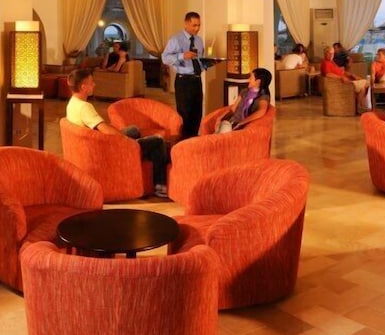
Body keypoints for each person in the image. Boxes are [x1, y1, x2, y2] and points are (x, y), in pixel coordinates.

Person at [66, 68, 169, 198]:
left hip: (96, 140)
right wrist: (126, 141)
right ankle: (159, 186)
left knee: (134, 130)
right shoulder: (84, 107)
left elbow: (99, 128)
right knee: (158, 142)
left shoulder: (72, 103)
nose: (94, 85)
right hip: (104, 147)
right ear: (83, 87)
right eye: (91, 82)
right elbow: (105, 129)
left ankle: (138, 162)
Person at [162, 11, 216, 139]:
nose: (197, 28)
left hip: (197, 81)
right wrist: (182, 56)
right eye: (194, 25)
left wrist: (207, 63)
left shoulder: (199, 41)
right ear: (186, 24)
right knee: (184, 115)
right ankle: (183, 143)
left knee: (197, 114)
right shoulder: (176, 39)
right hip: (183, 81)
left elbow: (198, 61)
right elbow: (165, 58)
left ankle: (193, 142)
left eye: (199, 25)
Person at [217, 68, 272, 134]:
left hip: (243, 126)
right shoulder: (244, 91)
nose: (248, 79)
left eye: (251, 77)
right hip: (231, 123)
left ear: (258, 81)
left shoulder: (263, 96)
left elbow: (261, 111)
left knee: (223, 133)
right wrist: (220, 118)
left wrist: (241, 123)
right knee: (223, 128)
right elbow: (233, 109)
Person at [321, 46, 369, 110]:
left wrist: (352, 75)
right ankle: (360, 107)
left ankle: (359, 107)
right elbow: (328, 74)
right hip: (342, 84)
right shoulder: (325, 63)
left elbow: (342, 71)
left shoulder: (331, 62)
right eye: (329, 53)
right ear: (325, 53)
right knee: (367, 83)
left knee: (363, 88)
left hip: (347, 81)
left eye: (332, 53)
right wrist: (341, 77)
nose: (331, 55)